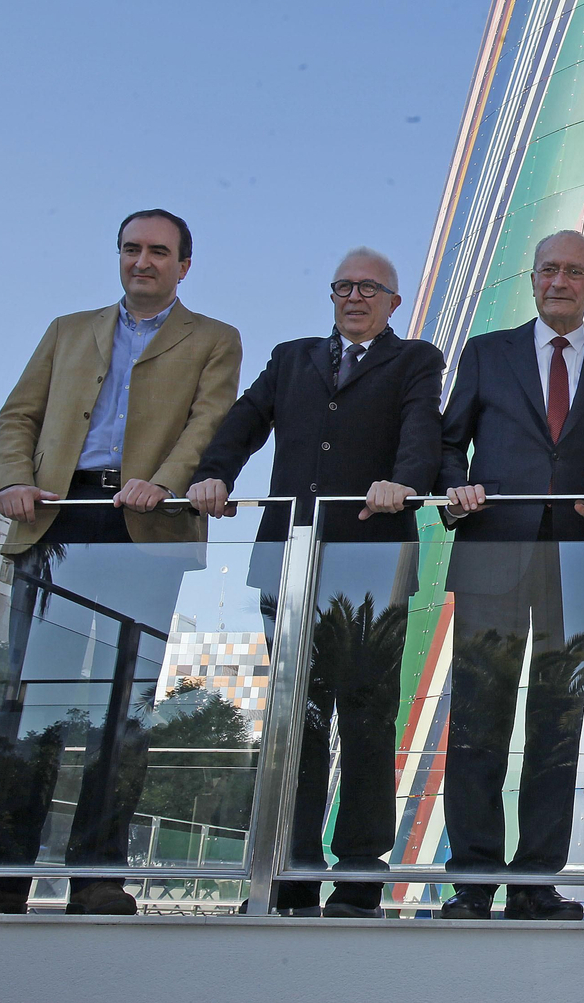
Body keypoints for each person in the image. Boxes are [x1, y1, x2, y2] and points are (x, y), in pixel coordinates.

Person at [0, 209, 242, 916]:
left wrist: (165, 481)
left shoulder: (215, 339)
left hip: (145, 525)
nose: (142, 261)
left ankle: (99, 876)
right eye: (130, 249)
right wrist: (8, 479)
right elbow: (17, 417)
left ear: (185, 265)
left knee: (124, 708)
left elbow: (207, 425)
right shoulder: (67, 330)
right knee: (27, 702)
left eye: (158, 251)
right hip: (55, 519)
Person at [188, 247, 444, 918]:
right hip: (289, 564)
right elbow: (243, 424)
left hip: (371, 563)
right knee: (296, 721)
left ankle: (360, 877)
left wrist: (406, 480)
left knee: (365, 718)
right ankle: (289, 874)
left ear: (394, 301)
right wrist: (213, 473)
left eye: (369, 288)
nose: (354, 297)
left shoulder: (415, 359)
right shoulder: (291, 357)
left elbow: (423, 433)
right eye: (343, 286)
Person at [435, 230, 584, 921]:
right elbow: (444, 444)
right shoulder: (486, 353)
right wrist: (454, 489)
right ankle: (469, 882)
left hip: (576, 560)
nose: (561, 280)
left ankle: (533, 883)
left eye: (575, 271)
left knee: (558, 724)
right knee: (477, 723)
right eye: (549, 268)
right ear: (532, 279)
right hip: (492, 551)